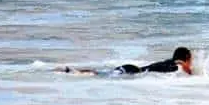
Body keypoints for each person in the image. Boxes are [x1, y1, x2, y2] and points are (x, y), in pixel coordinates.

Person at [59, 46, 193, 76]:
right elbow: (182, 66)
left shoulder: (169, 62)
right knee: (101, 75)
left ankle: (69, 71)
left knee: (101, 74)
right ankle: (72, 72)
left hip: (132, 68)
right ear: (186, 58)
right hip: (132, 71)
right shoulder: (177, 65)